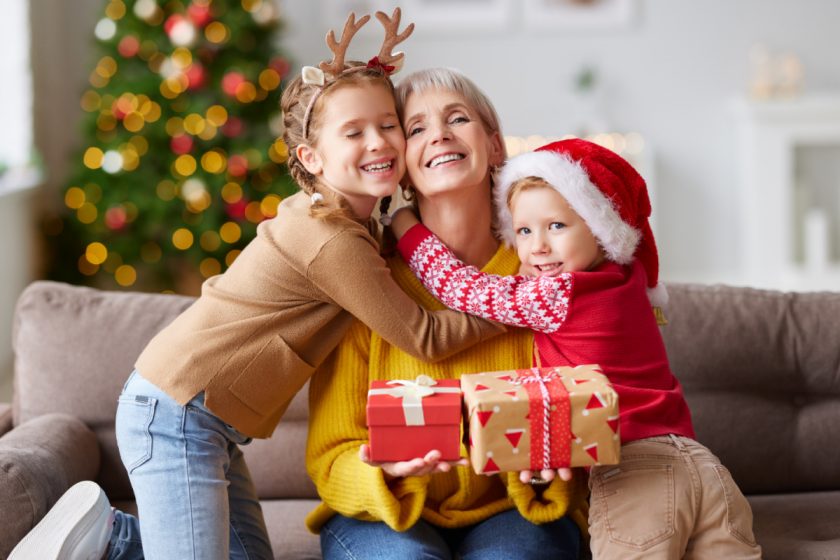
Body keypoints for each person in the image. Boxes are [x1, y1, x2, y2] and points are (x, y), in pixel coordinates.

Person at [9, 12, 504, 560]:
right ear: (312, 159)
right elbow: (426, 337)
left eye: (388, 124)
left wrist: (411, 223)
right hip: (176, 413)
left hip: (206, 419)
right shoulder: (332, 241)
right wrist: (513, 300)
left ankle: (115, 540)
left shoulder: (354, 222)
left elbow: (398, 239)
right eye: (354, 132)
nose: (379, 142)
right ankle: (107, 542)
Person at [391, 138, 763, 559]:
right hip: (705, 465)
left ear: (600, 229)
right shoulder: (628, 278)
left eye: (557, 226)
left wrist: (405, 225)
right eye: (524, 231)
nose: (537, 246)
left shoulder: (559, 295)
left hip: (633, 469)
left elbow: (461, 287)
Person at [305, 68, 587, 560]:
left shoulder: (547, 283)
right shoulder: (368, 281)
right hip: (383, 517)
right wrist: (383, 471)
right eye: (415, 129)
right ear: (400, 166)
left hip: (510, 509)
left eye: (457, 118)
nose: (439, 134)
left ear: (495, 146)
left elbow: (589, 412)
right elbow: (331, 457)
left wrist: (546, 466)